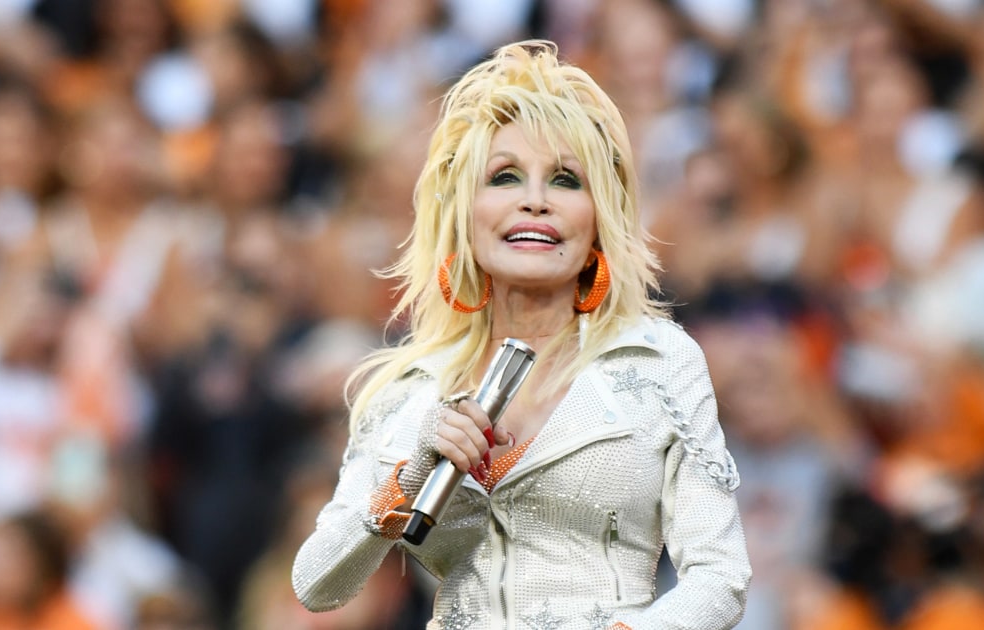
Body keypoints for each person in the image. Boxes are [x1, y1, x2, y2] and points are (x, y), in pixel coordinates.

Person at [291, 40, 751, 629]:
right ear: (465, 213)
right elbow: (316, 583)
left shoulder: (659, 361)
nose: (534, 201)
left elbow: (721, 577)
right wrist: (407, 480)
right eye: (505, 177)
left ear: (598, 220)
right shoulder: (411, 390)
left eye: (564, 180)